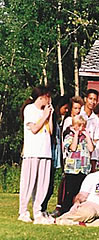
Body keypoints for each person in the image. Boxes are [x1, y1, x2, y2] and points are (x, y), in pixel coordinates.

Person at [18, 86, 54, 224]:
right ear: (42, 97)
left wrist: (49, 115)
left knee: (42, 184)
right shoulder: (30, 109)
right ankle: (23, 211)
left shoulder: (46, 111)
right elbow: (34, 129)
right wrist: (44, 115)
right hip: (32, 152)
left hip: (45, 152)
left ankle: (38, 210)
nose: (49, 100)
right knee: (29, 182)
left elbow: (50, 131)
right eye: (48, 97)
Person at [60, 115, 94, 214]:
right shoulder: (69, 137)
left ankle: (78, 211)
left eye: (82, 126)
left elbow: (91, 149)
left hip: (83, 169)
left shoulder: (85, 138)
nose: (80, 128)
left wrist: (87, 136)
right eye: (78, 126)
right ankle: (65, 210)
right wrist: (75, 134)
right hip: (72, 169)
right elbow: (73, 148)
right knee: (70, 192)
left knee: (81, 192)